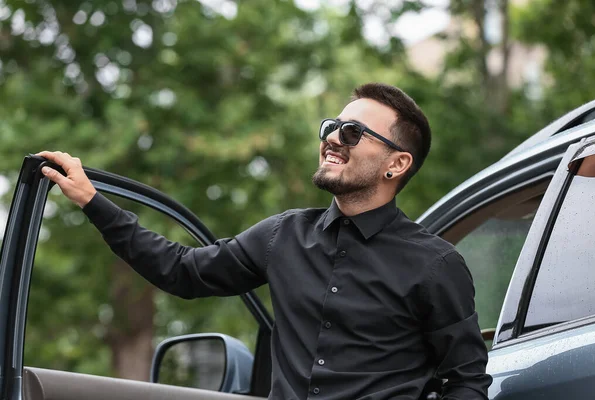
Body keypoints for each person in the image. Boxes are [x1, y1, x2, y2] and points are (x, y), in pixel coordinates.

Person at [38, 82, 492, 399]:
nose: (333, 137)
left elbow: (466, 382)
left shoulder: (436, 265)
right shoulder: (283, 235)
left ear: (397, 165)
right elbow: (182, 271)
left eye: (353, 133)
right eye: (332, 126)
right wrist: (93, 200)